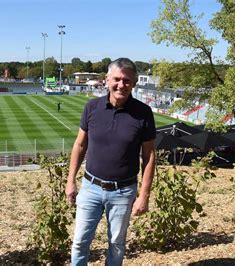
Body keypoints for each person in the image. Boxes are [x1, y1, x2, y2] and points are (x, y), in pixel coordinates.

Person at [65, 58, 156, 266]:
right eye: (117, 79)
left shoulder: (143, 113)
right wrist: (71, 181)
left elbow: (149, 156)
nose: (121, 85)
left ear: (134, 83)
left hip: (123, 191)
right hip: (90, 187)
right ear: (107, 80)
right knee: (79, 242)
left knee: (116, 243)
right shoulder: (92, 107)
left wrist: (144, 195)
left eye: (126, 81)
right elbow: (79, 145)